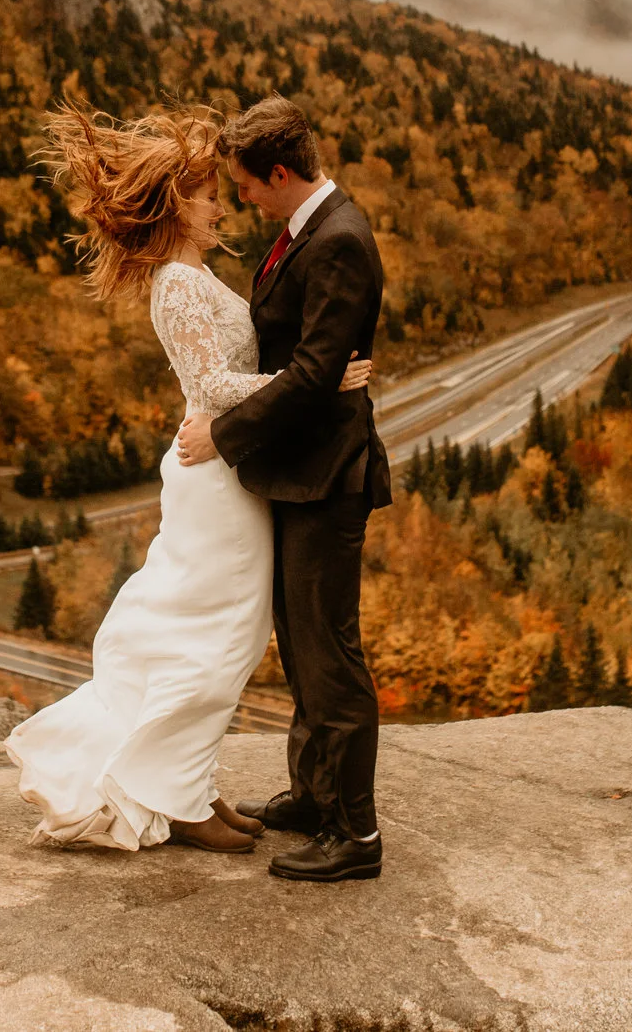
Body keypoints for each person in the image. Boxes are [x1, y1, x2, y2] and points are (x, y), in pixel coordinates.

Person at [4, 105, 373, 854]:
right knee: (217, 637)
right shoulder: (177, 283)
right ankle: (178, 793)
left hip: (230, 466)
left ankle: (189, 784)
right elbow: (211, 383)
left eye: (225, 189)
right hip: (216, 469)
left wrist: (307, 374)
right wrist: (317, 379)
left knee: (228, 636)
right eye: (208, 194)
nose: (222, 205)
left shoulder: (197, 273)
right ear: (179, 206)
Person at [176, 94, 394, 884]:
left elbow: (311, 374)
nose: (239, 198)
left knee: (331, 653)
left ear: (278, 171)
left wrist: (224, 433)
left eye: (245, 184)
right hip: (298, 470)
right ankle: (312, 793)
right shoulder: (303, 231)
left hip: (327, 476)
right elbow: (309, 359)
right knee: (301, 648)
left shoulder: (338, 239)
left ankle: (355, 835)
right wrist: (325, 374)